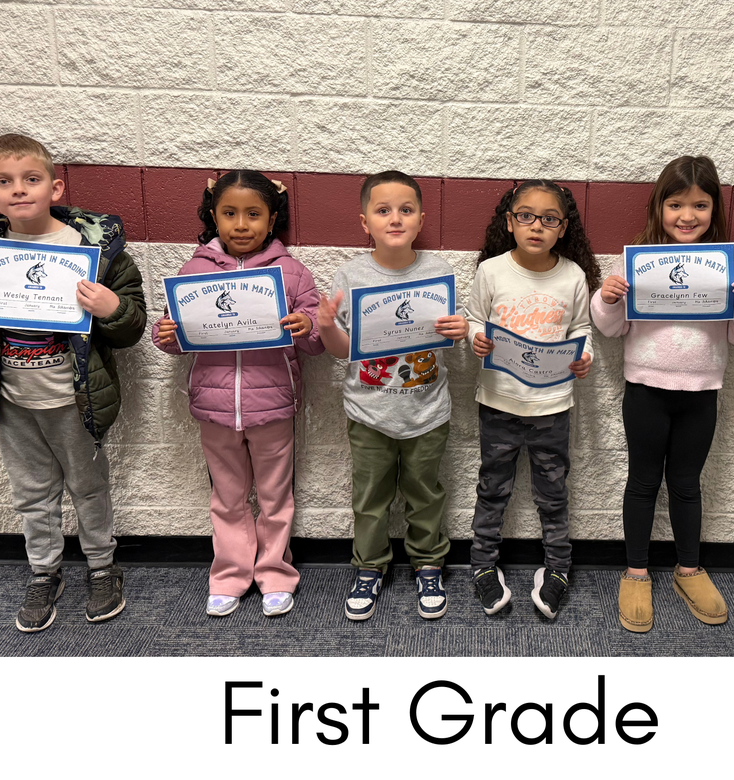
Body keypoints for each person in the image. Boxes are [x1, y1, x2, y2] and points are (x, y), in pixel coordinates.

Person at [0, 133, 147, 632]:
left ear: (55, 186)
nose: (19, 189)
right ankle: (45, 571)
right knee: (31, 492)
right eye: (4, 181)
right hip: (9, 396)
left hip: (75, 396)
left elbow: (132, 326)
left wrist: (113, 309)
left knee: (88, 487)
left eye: (31, 179)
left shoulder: (95, 249)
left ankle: (102, 566)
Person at [591, 155, 734, 632]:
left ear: (714, 210)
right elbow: (610, 328)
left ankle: (689, 569)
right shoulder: (636, 260)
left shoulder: (729, 265)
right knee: (643, 482)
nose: (687, 216)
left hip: (701, 392)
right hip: (645, 389)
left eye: (700, 205)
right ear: (659, 207)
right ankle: (636, 572)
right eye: (675, 205)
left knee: (687, 484)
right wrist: (606, 299)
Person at [154, 171, 323, 618]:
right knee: (227, 498)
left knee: (275, 497)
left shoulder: (291, 272)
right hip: (213, 407)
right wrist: (166, 334)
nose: (242, 224)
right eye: (230, 213)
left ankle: (275, 574)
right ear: (214, 216)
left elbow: (317, 338)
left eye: (253, 214)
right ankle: (229, 575)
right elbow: (173, 334)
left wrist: (308, 326)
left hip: (273, 406)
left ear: (272, 220)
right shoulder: (194, 271)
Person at [317, 170, 468, 621]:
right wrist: (326, 328)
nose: (395, 219)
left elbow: (449, 334)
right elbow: (343, 350)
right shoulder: (350, 274)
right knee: (369, 499)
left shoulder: (439, 272)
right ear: (365, 222)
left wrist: (460, 329)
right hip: (369, 411)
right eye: (383, 210)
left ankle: (428, 562)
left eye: (406, 210)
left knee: (426, 494)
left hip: (427, 410)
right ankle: (369, 566)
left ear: (421, 219)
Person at [466, 179, 597, 620]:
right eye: (525, 216)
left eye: (549, 219)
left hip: (552, 406)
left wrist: (585, 356)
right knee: (492, 488)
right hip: (498, 402)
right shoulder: (491, 271)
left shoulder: (573, 276)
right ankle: (483, 564)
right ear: (510, 222)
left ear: (563, 228)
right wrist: (476, 339)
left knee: (553, 492)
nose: (536, 226)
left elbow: (581, 328)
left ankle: (558, 567)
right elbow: (473, 319)